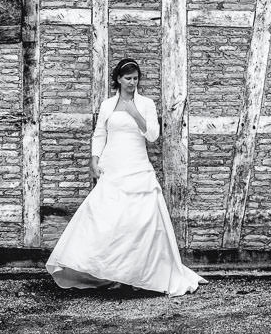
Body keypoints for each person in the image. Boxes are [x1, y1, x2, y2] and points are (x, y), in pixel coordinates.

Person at [46, 58, 205, 296]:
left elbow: (153, 135)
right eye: (128, 78)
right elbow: (100, 134)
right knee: (109, 221)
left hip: (137, 166)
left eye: (135, 78)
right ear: (119, 79)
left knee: (138, 221)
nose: (132, 83)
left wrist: (134, 112)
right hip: (113, 167)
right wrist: (94, 159)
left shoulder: (147, 104)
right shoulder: (108, 104)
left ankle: (136, 275)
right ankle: (110, 273)